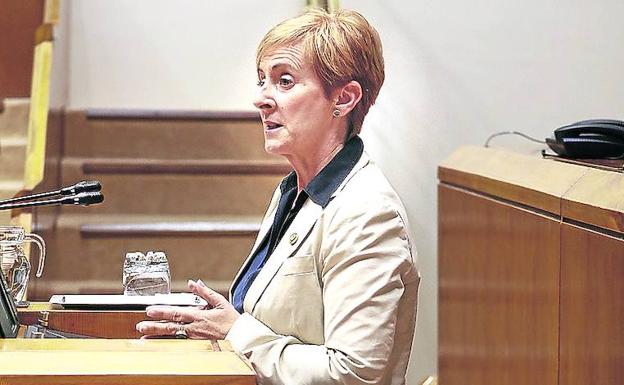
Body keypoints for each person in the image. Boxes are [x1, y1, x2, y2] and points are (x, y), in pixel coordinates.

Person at [136, 8, 420, 385]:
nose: (262, 100)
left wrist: (235, 331)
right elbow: (273, 325)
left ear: (345, 98)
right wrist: (207, 324)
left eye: (284, 81)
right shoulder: (292, 191)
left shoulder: (367, 212)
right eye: (262, 81)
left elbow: (352, 374)